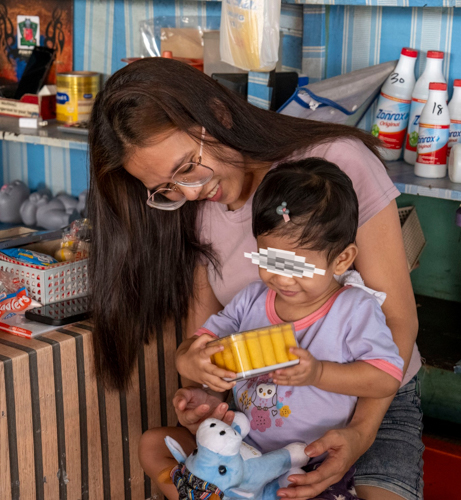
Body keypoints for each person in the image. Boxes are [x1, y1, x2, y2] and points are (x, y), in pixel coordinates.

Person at [88, 57, 423, 500]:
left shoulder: (335, 165)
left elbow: (400, 323)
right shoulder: (194, 214)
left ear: (219, 115)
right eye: (166, 189)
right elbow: (203, 342)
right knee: (159, 450)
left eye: (187, 167)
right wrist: (201, 389)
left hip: (372, 399)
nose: (189, 193)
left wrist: (360, 433)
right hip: (262, 417)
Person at [139, 159, 406, 500]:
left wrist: (318, 373)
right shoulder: (251, 300)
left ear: (341, 259)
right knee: (153, 444)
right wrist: (190, 367)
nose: (280, 278)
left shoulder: (354, 309)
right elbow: (198, 344)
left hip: (308, 462)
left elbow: (385, 379)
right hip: (242, 449)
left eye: (297, 266)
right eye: (269, 259)